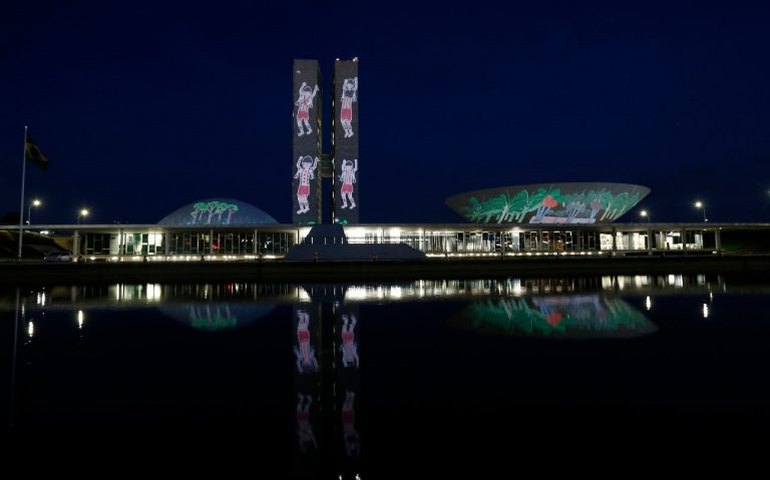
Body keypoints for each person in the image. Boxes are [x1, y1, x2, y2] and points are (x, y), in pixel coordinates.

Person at [294, 309, 319, 373]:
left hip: (303, 339)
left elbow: (298, 362)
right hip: (303, 339)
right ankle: (304, 315)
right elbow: (298, 362)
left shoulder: (303, 358)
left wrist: (316, 367)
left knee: (303, 327)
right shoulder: (304, 357)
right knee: (303, 327)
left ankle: (304, 316)